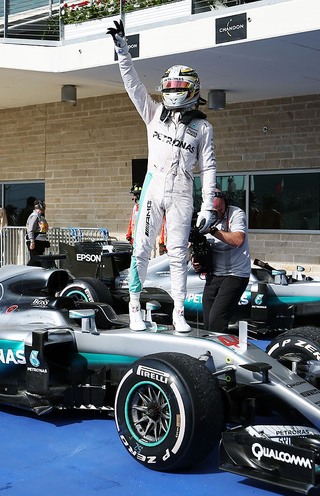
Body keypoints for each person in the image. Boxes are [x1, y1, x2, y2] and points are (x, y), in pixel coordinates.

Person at [108, 20, 217, 333]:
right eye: (167, 88)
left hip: (183, 191)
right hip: (152, 188)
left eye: (176, 88)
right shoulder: (153, 112)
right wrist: (122, 49)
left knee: (178, 254)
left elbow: (208, 168)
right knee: (141, 249)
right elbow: (132, 84)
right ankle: (134, 308)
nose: (170, 92)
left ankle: (178, 313)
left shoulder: (203, 128)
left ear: (191, 91)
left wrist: (208, 206)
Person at [191, 190, 251, 332]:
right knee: (208, 323)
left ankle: (220, 351)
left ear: (225, 203)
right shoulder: (203, 216)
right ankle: (209, 350)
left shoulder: (236, 214)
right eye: (213, 212)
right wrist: (195, 259)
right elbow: (196, 244)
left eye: (220, 211)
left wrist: (212, 230)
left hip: (235, 274)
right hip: (214, 274)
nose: (217, 214)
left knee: (216, 321)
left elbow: (238, 240)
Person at [126, 185, 167, 256]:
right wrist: (129, 235)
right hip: (135, 240)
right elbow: (132, 222)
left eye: (134, 195)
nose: (133, 198)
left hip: (144, 240)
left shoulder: (147, 208)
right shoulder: (135, 208)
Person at [25, 199, 49, 265]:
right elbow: (30, 230)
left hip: (40, 242)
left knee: (39, 261)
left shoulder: (40, 217)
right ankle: (26, 270)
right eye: (44, 206)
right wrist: (32, 242)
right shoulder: (34, 216)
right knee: (35, 259)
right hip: (35, 242)